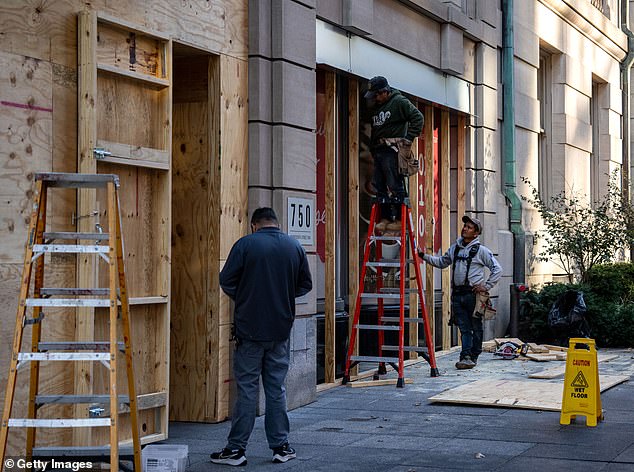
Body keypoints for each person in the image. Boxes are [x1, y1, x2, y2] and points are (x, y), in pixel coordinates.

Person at [211, 207, 313, 466]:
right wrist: (281, 296)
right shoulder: (294, 246)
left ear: (254, 224)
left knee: (247, 389)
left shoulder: (245, 245)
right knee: (276, 389)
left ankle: (236, 450)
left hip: (250, 328)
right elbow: (305, 285)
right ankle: (281, 446)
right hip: (280, 329)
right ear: (275, 223)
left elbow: (226, 281)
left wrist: (246, 297)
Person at [418, 215, 502, 369]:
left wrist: (487, 286)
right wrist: (424, 256)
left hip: (473, 296)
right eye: (465, 226)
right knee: (464, 328)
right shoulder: (455, 248)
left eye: (469, 227)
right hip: (457, 295)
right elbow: (442, 262)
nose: (465, 229)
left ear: (476, 233)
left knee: (475, 327)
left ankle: (474, 355)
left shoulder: (481, 251)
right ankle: (466, 356)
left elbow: (497, 269)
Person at [364, 76, 424, 232]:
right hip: (379, 150)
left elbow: (418, 118)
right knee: (379, 185)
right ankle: (385, 218)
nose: (375, 98)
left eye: (376, 95)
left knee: (394, 184)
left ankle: (398, 219)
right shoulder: (378, 106)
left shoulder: (399, 102)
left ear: (385, 91)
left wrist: (407, 139)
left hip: (392, 149)